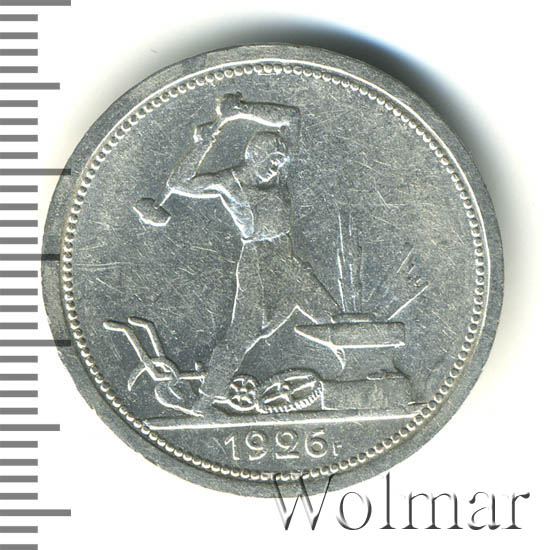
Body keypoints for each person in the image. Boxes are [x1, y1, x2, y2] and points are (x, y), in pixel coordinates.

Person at [134, 94, 340, 417]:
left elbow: (292, 118)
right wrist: (202, 145)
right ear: (255, 156)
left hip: (287, 259)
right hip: (258, 264)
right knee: (242, 337)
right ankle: (203, 402)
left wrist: (243, 110)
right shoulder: (228, 183)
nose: (278, 166)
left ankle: (353, 374)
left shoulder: (280, 176)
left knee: (331, 316)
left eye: (281, 160)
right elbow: (178, 182)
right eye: (273, 159)